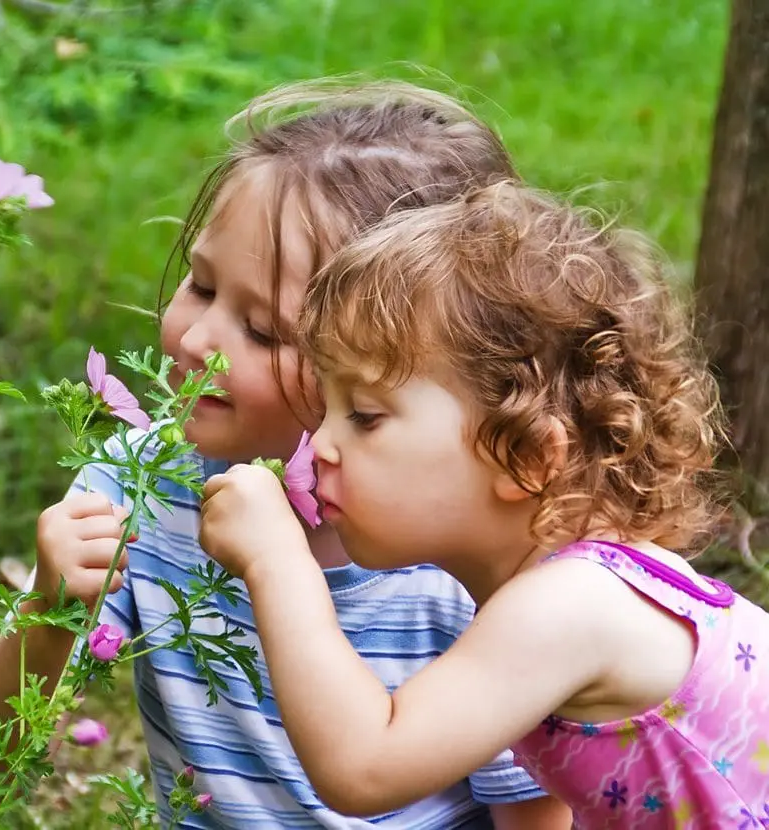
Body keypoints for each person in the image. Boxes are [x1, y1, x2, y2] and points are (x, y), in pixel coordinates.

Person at [0, 80, 571, 828]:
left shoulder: (465, 562)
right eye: (200, 284)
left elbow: (533, 817)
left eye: (266, 332)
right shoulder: (140, 490)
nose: (199, 339)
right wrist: (48, 617)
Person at [199, 180, 767, 828]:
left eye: (364, 415)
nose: (319, 445)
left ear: (523, 458)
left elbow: (364, 767)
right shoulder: (574, 586)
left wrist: (277, 563)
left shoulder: (572, 604)